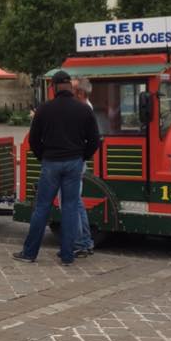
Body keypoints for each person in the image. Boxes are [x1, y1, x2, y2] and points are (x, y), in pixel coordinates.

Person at [14, 70, 100, 266]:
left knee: (42, 208)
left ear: (53, 87)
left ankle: (29, 253)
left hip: (51, 162)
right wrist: (82, 156)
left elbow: (34, 140)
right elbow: (95, 140)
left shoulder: (44, 109)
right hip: (74, 163)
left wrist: (43, 156)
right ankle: (67, 255)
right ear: (70, 87)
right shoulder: (83, 109)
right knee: (70, 207)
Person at [70, 77, 96, 256]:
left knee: (73, 202)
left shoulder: (83, 109)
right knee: (77, 202)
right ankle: (85, 241)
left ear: (80, 93)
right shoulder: (85, 107)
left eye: (72, 89)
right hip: (79, 160)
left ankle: (81, 242)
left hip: (75, 161)